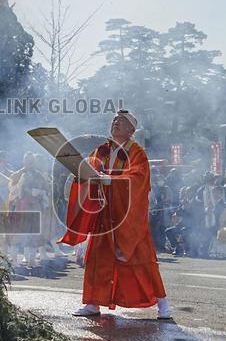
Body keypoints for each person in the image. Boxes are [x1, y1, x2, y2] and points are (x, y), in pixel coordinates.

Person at [61, 110, 172, 320]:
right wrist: (81, 171)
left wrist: (113, 181)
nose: (115, 123)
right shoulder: (102, 150)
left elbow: (139, 178)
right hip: (105, 214)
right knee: (96, 261)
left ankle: (163, 305)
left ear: (132, 129)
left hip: (129, 218)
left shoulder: (137, 152)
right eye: (114, 120)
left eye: (121, 121)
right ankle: (93, 303)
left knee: (143, 261)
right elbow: (90, 169)